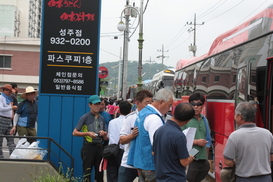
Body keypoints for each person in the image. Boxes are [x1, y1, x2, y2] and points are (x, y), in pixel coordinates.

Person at [127, 88, 174, 182]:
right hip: (151, 165)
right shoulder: (154, 119)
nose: (169, 109)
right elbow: (158, 145)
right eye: (169, 105)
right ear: (161, 102)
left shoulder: (143, 113)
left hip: (141, 162)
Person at [223, 102, 273, 182]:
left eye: (235, 115)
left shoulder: (235, 136)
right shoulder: (267, 133)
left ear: (239, 116)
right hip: (266, 178)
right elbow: (271, 157)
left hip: (244, 179)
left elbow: (228, 162)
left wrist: (240, 161)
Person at [153, 103, 195, 182]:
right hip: (175, 178)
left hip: (160, 177)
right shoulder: (179, 136)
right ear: (187, 121)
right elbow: (184, 162)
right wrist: (190, 157)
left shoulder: (160, 130)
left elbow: (153, 153)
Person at [118, 90, 153, 182]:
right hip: (128, 164)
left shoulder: (153, 118)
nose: (150, 105)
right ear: (137, 103)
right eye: (147, 102)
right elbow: (122, 140)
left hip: (145, 164)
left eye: (151, 102)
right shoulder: (129, 118)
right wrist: (132, 135)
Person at [72, 95, 108, 182]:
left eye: (99, 104)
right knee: (87, 172)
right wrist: (87, 133)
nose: (97, 106)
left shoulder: (102, 118)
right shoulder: (85, 117)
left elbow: (106, 135)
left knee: (100, 173)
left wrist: (104, 133)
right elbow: (74, 132)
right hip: (88, 147)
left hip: (99, 147)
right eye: (95, 104)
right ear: (90, 105)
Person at [180, 93, 212, 182]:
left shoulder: (204, 120)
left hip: (203, 161)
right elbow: (178, 139)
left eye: (199, 104)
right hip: (190, 160)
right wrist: (195, 142)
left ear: (203, 105)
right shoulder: (185, 120)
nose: (196, 107)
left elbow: (208, 139)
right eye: (193, 104)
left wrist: (206, 158)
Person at [107, 101, 132, 182]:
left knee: (112, 175)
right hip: (125, 152)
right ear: (130, 110)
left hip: (112, 151)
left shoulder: (112, 122)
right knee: (123, 176)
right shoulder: (131, 122)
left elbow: (110, 136)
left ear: (119, 110)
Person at [0, 84, 17, 158]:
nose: (10, 93)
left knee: (11, 138)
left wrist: (12, 114)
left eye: (10, 91)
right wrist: (11, 108)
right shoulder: (1, 98)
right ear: (4, 91)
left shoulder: (8, 99)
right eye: (9, 91)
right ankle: (0, 156)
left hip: (8, 119)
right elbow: (1, 108)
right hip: (2, 119)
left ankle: (13, 154)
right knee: (0, 139)